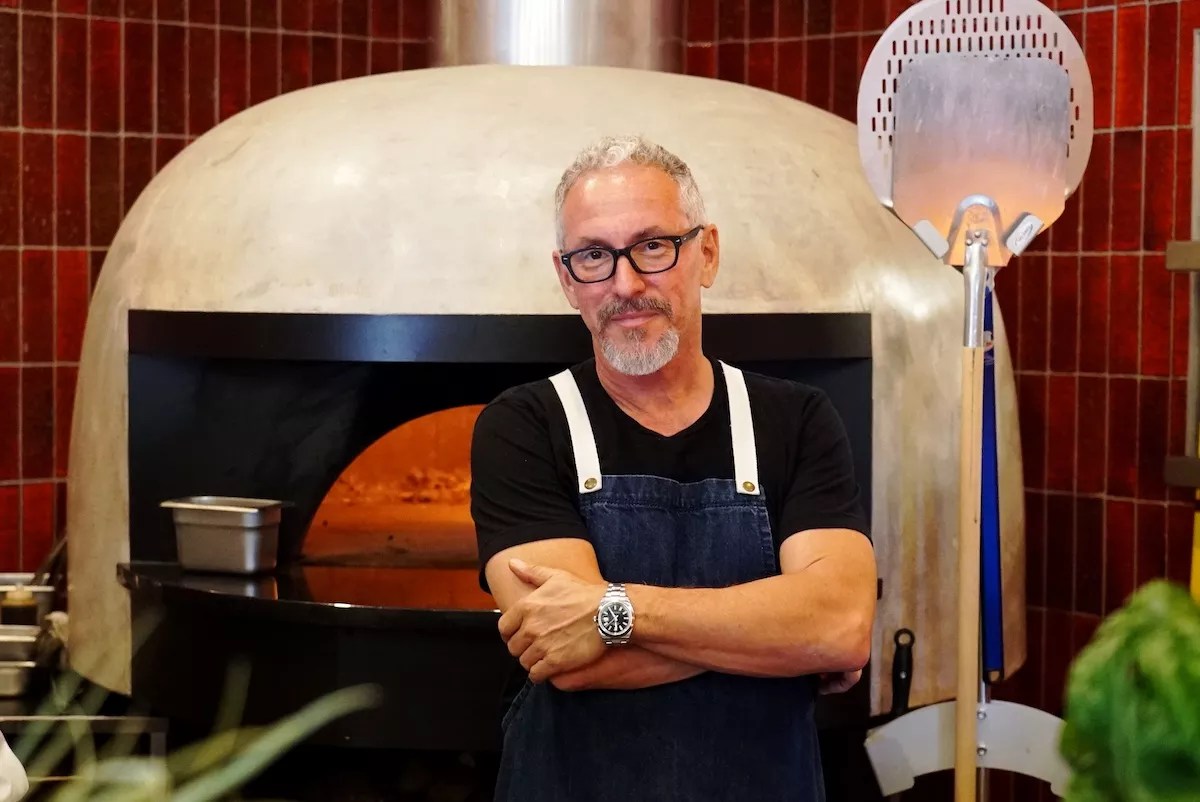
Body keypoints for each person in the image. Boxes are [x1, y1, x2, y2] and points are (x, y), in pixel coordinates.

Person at [469, 134, 877, 802]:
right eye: (594, 256)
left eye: (653, 246)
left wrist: (613, 610)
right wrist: (777, 637)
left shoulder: (797, 419)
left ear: (706, 253)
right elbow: (563, 653)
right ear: (567, 279)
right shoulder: (523, 426)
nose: (626, 284)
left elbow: (839, 628)